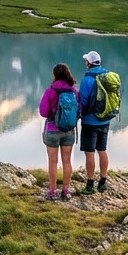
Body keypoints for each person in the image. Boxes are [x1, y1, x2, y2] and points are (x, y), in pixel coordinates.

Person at [37, 63, 77, 200]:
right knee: (67, 161)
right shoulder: (73, 92)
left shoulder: (50, 91)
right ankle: (66, 191)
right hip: (69, 130)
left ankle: (52, 192)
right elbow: (80, 110)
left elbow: (43, 112)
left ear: (55, 75)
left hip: (52, 130)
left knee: (52, 161)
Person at [77, 50, 113, 194]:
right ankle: (103, 181)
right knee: (102, 150)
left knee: (90, 152)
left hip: (90, 122)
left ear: (89, 63)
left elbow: (83, 101)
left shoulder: (87, 79)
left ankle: (90, 184)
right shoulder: (107, 76)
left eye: (86, 61)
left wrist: (80, 114)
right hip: (105, 120)